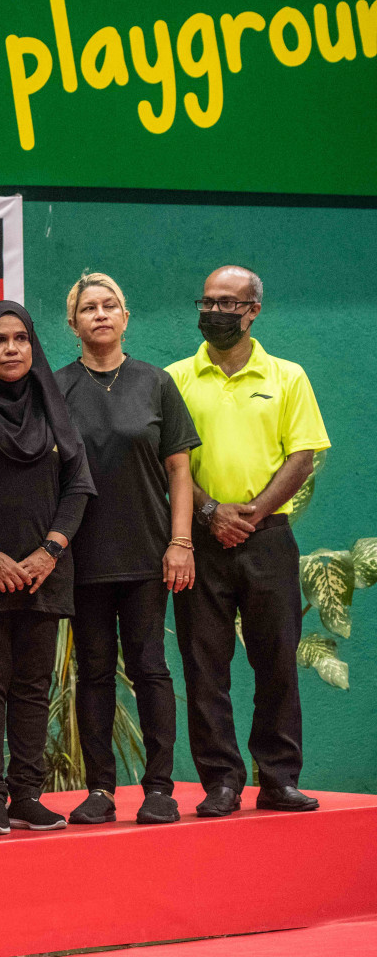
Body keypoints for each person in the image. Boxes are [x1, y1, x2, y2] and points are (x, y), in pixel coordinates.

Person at [167, 266, 329, 817]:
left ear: (253, 310)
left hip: (268, 539)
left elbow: (303, 455)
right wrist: (211, 513)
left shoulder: (288, 377)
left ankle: (279, 779)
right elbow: (167, 465)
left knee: (277, 662)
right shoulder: (174, 379)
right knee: (204, 666)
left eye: (229, 303)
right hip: (199, 539)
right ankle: (221, 782)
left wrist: (254, 513)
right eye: (207, 301)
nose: (214, 312)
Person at [54, 273, 198, 826]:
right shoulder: (58, 387)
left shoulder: (155, 382)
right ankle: (100, 792)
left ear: (126, 317)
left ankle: (159, 789)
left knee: (150, 668)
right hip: (84, 555)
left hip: (146, 552)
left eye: (110, 304)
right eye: (88, 308)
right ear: (73, 324)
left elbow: (179, 469)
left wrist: (180, 542)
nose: (100, 314)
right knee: (92, 672)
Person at [0, 301, 95, 836]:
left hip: (42, 571)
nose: (11, 350)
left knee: (32, 687)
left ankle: (27, 795)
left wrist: (48, 552)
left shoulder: (53, 405)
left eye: (20, 339)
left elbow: (79, 483)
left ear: (33, 345)